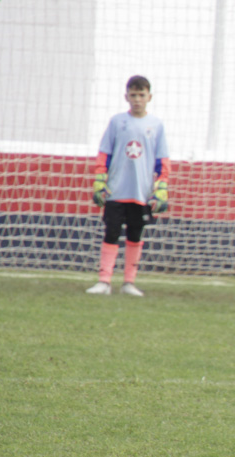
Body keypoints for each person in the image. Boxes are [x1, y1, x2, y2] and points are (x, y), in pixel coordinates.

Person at [86, 75, 171, 297]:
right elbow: (104, 153)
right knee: (111, 233)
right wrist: (100, 181)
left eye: (141, 95)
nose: (137, 99)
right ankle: (104, 281)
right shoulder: (116, 122)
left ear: (149, 97)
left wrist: (161, 188)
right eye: (133, 95)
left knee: (135, 236)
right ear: (126, 97)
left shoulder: (156, 125)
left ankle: (129, 283)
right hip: (116, 191)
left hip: (141, 193)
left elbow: (163, 161)